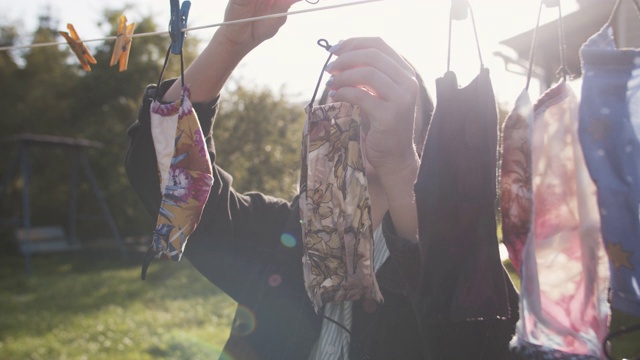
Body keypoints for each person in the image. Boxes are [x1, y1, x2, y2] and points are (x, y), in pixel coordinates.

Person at [125, 0, 515, 359]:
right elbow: (162, 173)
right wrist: (231, 40)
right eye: (339, 94)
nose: (358, 104)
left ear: (422, 133)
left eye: (384, 92)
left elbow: (479, 341)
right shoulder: (280, 235)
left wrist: (399, 167)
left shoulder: (463, 255)